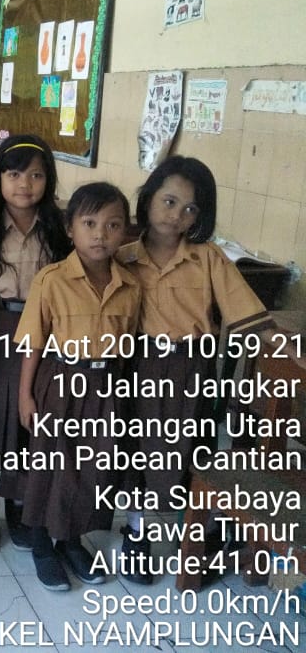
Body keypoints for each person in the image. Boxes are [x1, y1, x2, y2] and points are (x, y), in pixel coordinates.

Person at [117, 156, 273, 584]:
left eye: (190, 209)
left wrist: (284, 346)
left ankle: (196, 533)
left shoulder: (208, 258)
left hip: (192, 367)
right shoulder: (123, 257)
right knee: (136, 451)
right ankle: (137, 534)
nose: (177, 215)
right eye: (169, 202)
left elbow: (245, 310)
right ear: (148, 198)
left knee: (191, 449)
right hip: (139, 365)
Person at [15, 182, 141, 591]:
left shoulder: (130, 286)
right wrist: (25, 394)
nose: (100, 234)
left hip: (106, 387)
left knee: (91, 466)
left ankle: (70, 540)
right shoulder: (51, 280)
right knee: (49, 464)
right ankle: (41, 543)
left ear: (125, 232)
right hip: (60, 382)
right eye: (89, 223)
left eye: (112, 225)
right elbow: (33, 342)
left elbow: (129, 346)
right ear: (70, 229)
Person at [0, 135, 69, 553]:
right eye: (15, 174)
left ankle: (19, 500)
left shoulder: (59, 231)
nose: (25, 184)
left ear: (49, 180)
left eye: (36, 175)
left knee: (29, 419)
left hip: (45, 335)